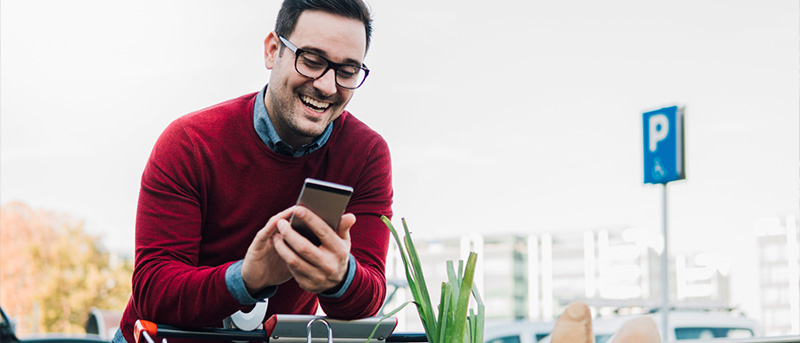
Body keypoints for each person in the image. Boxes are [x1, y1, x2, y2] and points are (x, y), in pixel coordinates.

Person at [114, 0, 392, 342]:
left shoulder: (365, 154)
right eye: (312, 61)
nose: (327, 86)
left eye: (347, 71)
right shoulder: (190, 142)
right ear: (273, 51)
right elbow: (154, 292)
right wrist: (248, 279)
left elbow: (367, 301)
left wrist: (341, 278)